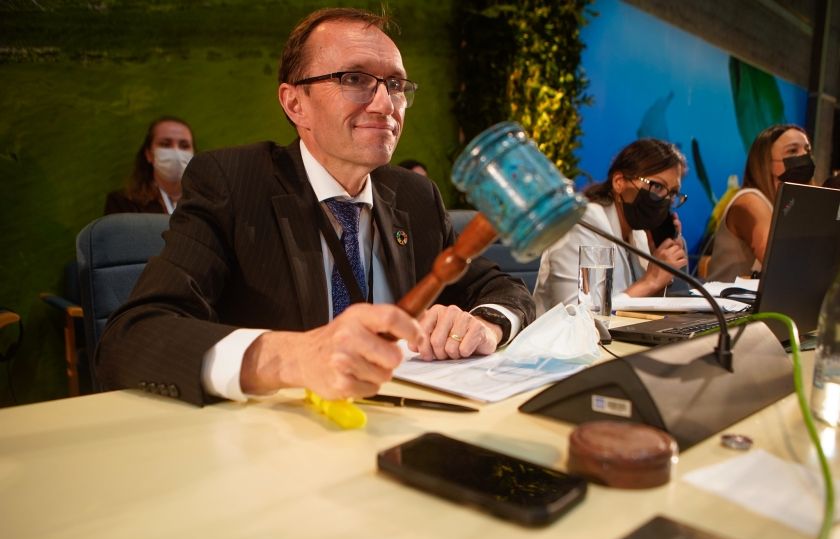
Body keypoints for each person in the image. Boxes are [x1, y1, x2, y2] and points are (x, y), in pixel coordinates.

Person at [96, 8, 535, 406]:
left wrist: (484, 324)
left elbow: (505, 292)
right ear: (294, 103)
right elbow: (131, 337)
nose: (386, 105)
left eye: (396, 85)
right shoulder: (232, 182)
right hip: (276, 445)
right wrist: (294, 357)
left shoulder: (415, 196)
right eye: (355, 79)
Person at [532, 138, 689, 315]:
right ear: (619, 182)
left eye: (673, 193)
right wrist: (650, 280)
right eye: (657, 186)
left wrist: (660, 272)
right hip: (563, 340)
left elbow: (638, 309)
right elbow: (576, 316)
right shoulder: (582, 223)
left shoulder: (639, 234)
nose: (665, 199)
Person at [706, 124, 813, 281]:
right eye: (792, 151)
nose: (804, 156)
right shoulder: (750, 200)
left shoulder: (790, 206)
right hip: (727, 303)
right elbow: (777, 258)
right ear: (767, 163)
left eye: (808, 150)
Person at [104, 116, 195, 215]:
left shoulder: (208, 202)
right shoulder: (123, 203)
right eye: (165, 144)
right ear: (149, 154)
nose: (176, 152)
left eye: (184, 146)